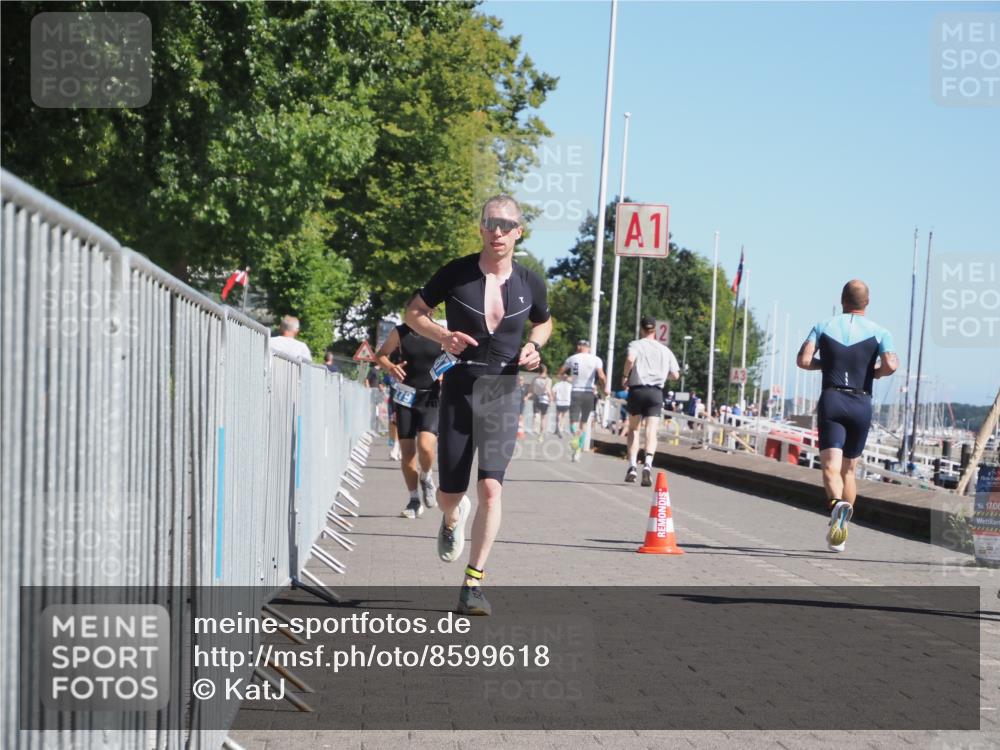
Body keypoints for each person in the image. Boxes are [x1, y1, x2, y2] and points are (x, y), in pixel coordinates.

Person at [404, 194, 552, 616]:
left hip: (502, 391)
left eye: (507, 225)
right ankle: (452, 518)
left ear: (519, 231)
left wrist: (533, 346)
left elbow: (543, 320)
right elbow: (414, 312)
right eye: (491, 223)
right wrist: (440, 335)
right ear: (481, 227)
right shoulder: (456, 273)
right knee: (452, 493)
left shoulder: (530, 282)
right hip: (458, 388)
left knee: (491, 486)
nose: (498, 231)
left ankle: (473, 584)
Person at [796, 279, 897, 552]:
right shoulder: (880, 332)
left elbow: (803, 360)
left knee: (830, 466)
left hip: (833, 398)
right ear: (867, 302)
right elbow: (891, 364)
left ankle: (835, 505)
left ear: (842, 300)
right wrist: (874, 373)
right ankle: (841, 529)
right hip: (861, 401)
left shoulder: (822, 326)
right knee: (849, 470)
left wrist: (824, 365)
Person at [375, 322, 443, 519]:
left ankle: (427, 476)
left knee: (426, 446)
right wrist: (390, 367)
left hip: (430, 397)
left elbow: (453, 358)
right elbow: (380, 355)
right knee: (407, 453)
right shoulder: (400, 332)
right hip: (405, 397)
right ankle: (414, 501)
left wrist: (446, 374)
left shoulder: (440, 332)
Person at [621, 316, 680, 486]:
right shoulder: (665, 350)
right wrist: (662, 374)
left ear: (641, 329)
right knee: (651, 430)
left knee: (633, 429)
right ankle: (648, 464)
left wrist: (625, 376)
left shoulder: (636, 344)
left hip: (637, 390)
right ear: (655, 330)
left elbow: (630, 360)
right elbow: (676, 375)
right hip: (656, 393)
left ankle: (632, 466)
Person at [557, 339, 607, 462]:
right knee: (584, 424)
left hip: (576, 391)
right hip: (589, 392)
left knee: (573, 422)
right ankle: (578, 450)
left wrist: (568, 378)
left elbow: (560, 373)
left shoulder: (572, 358)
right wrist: (603, 388)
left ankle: (575, 437)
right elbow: (601, 376)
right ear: (588, 348)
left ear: (578, 347)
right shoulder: (596, 359)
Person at [530, 365, 553, 439]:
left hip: (536, 397)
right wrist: (550, 398)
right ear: (545, 370)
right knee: (543, 417)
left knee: (536, 414)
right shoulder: (548, 380)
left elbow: (531, 389)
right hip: (544, 398)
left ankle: (535, 428)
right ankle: (541, 434)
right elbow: (548, 390)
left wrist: (528, 395)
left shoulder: (535, 379)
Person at [553, 372, 572, 437]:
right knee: (563, 416)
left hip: (559, 402)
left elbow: (553, 391)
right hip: (566, 402)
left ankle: (557, 428)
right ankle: (560, 429)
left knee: (558, 415)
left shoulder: (557, 384)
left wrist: (554, 398)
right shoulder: (570, 385)